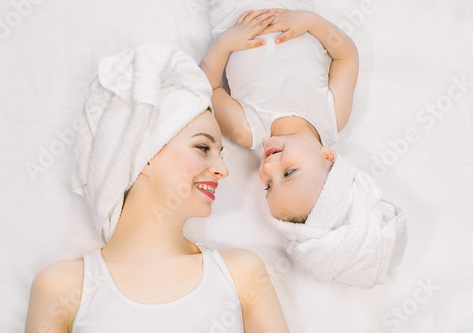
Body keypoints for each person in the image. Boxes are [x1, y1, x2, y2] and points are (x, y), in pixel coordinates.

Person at [25, 43, 289, 332]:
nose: (222, 170)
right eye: (203, 147)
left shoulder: (241, 274)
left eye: (221, 154)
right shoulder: (62, 288)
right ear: (143, 156)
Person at [200, 1, 407, 288]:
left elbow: (207, 87)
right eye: (289, 173)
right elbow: (346, 56)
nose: (269, 167)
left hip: (235, 12)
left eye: (268, 185)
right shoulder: (333, 115)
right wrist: (311, 22)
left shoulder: (248, 129)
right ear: (328, 157)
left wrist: (225, 43)